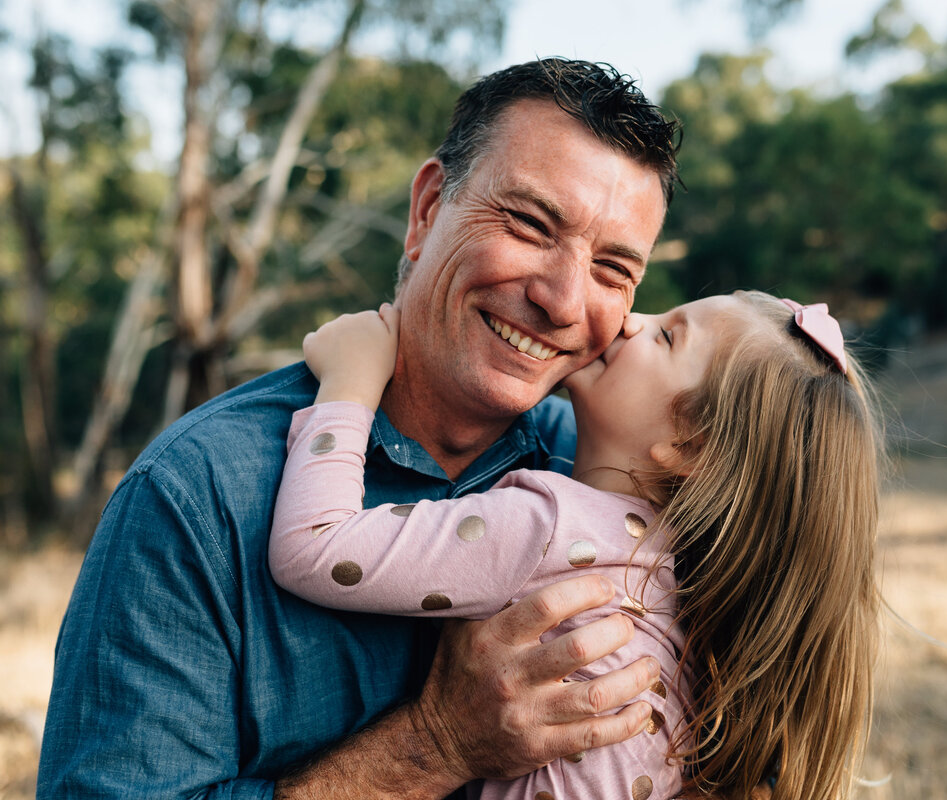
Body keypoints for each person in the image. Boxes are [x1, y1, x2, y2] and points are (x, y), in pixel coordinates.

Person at [38, 58, 681, 799]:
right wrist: (434, 746)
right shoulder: (198, 495)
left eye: (612, 270)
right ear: (428, 209)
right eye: (531, 225)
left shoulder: (606, 470)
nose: (563, 301)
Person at [268, 289, 883, 800]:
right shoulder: (672, 578)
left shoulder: (550, 529)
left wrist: (351, 380)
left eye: (666, 337)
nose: (630, 320)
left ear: (689, 447)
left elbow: (314, 548)